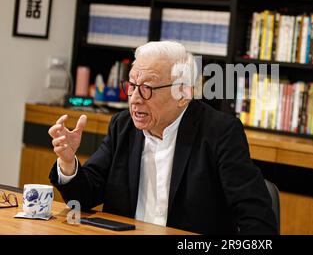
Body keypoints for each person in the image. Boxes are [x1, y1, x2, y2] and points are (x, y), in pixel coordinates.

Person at [48, 41, 277, 234]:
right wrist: (68, 162)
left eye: (147, 87)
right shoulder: (123, 126)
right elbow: (84, 197)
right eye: (132, 85)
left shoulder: (219, 132)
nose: (135, 99)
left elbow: (258, 220)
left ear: (183, 93)